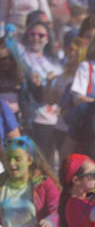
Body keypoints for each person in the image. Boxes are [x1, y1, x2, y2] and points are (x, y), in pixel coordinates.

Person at [20, 19, 63, 163]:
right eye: (32, 34)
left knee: (49, 162)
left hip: (53, 120)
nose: (36, 38)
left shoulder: (54, 61)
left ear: (47, 38)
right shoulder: (20, 58)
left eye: (41, 35)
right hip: (32, 120)